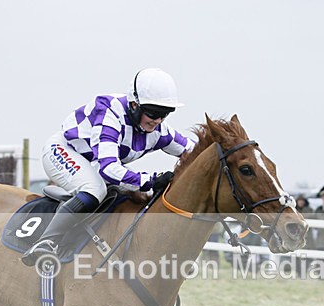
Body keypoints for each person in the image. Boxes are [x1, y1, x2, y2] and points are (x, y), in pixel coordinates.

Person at [22, 68, 196, 265]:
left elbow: (196, 153)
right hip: (64, 151)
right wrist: (151, 180)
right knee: (94, 188)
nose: (158, 121)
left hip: (94, 164)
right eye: (153, 113)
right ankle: (46, 242)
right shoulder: (110, 112)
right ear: (134, 104)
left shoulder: (159, 130)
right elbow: (109, 168)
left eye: (165, 114)